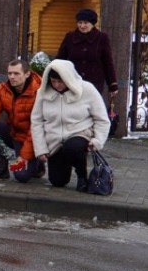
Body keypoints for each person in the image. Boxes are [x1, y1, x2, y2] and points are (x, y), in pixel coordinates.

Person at [31, 59, 111, 191]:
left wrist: (97, 140)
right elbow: (36, 121)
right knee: (57, 181)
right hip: (54, 141)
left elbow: (102, 119)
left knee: (72, 147)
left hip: (79, 134)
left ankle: (82, 175)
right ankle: (65, 164)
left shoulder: (87, 89)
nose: (57, 85)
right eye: (53, 81)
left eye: (60, 81)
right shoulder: (43, 93)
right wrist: (40, 148)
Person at [0, 58, 43, 182]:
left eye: (16, 74)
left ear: (27, 74)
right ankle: (1, 167)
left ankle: (38, 165)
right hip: (14, 133)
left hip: (32, 138)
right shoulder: (3, 88)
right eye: (10, 73)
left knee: (21, 176)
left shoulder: (39, 93)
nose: (12, 77)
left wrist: (24, 156)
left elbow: (36, 128)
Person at [56, 8, 119, 118]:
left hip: (94, 82)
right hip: (73, 81)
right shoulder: (70, 37)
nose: (82, 26)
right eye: (80, 22)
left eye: (86, 23)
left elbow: (108, 62)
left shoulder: (102, 38)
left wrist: (112, 84)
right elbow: (60, 59)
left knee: (90, 111)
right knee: (73, 111)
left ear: (93, 24)